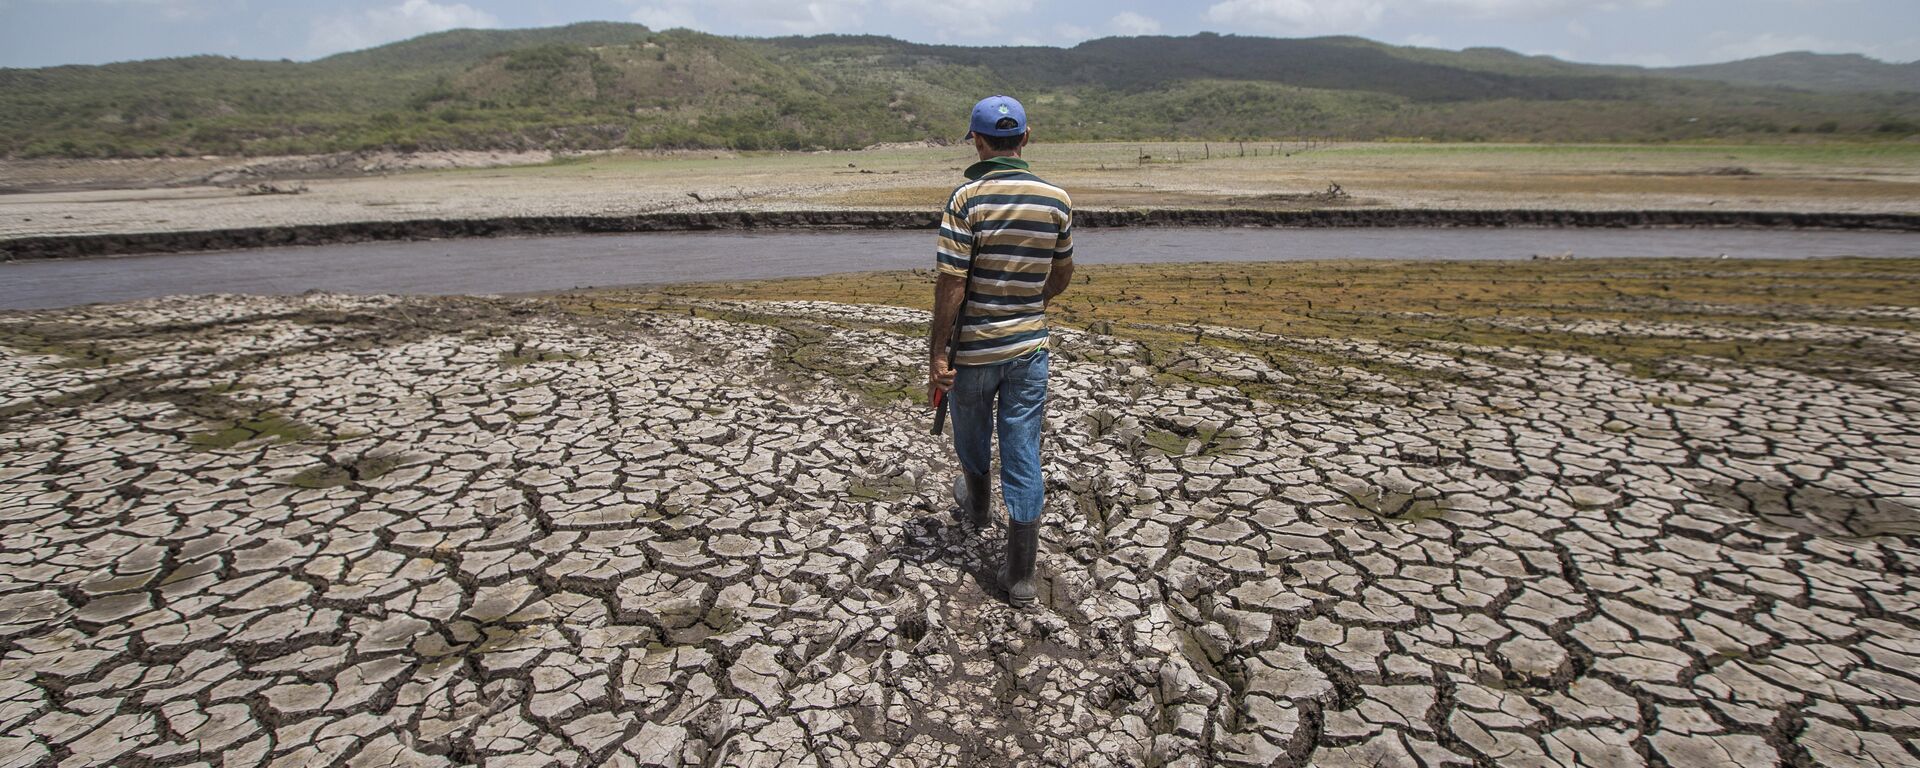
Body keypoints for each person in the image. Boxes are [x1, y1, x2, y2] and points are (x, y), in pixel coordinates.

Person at [927, 94, 1075, 608]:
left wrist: (937, 353)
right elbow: (1062, 274)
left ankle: (977, 508)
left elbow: (951, 284)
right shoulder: (1057, 199)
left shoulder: (966, 199)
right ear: (1026, 139)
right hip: (1029, 349)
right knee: (1022, 448)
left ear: (979, 142)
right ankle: (1021, 577)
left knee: (971, 433)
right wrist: (1028, 304)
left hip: (975, 351)